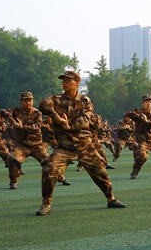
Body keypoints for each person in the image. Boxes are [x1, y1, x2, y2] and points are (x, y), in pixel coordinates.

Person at [36, 70, 125, 215]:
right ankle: (46, 204)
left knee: (101, 174)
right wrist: (56, 116)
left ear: (77, 82)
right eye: (63, 80)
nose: (64, 83)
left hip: (84, 146)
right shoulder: (56, 99)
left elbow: (84, 121)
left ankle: (111, 198)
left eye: (68, 80)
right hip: (65, 147)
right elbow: (42, 105)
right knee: (49, 169)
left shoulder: (85, 101)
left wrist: (67, 125)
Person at [2, 91, 71, 189]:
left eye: (30, 101)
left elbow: (36, 126)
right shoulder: (16, 111)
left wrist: (21, 127)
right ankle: (14, 181)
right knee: (13, 159)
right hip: (21, 145)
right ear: (21, 102)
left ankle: (61, 178)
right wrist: (12, 121)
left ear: (33, 101)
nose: (28, 103)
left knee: (49, 163)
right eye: (25, 101)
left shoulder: (37, 113)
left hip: (36, 145)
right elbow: (3, 112)